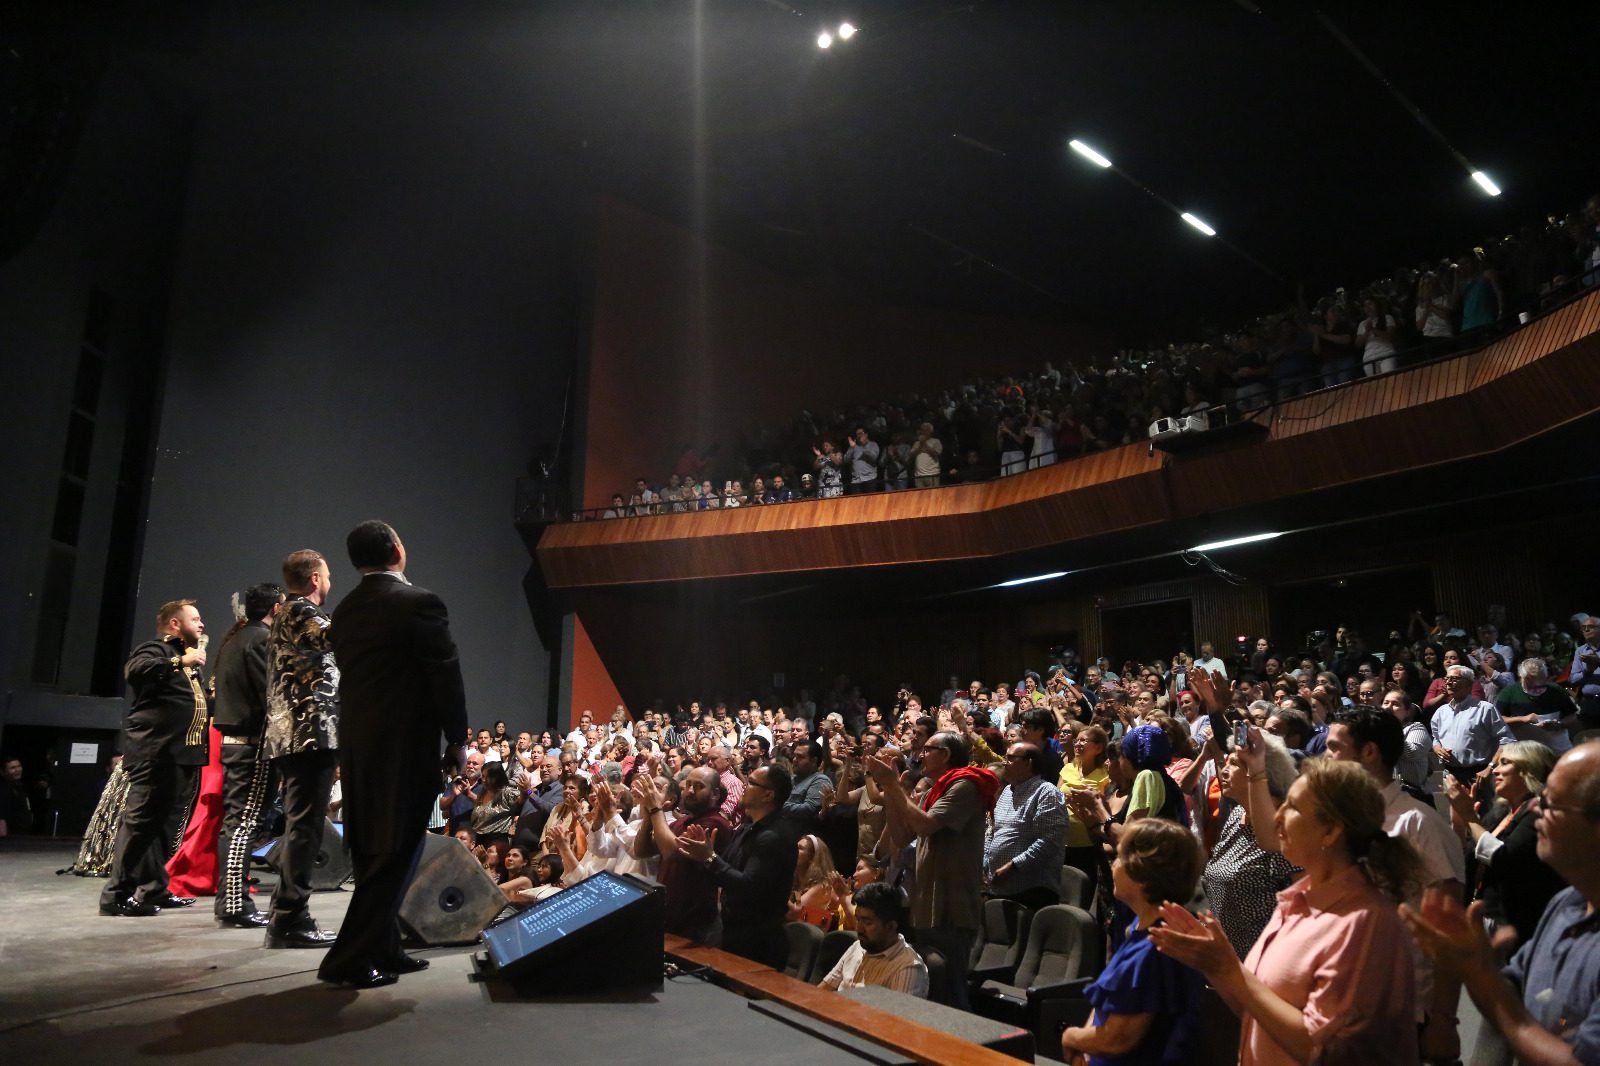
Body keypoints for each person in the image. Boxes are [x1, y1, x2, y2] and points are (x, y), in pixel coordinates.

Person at [1150, 759, 1424, 1065]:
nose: (1277, 817)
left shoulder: (1365, 921)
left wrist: (1230, 970)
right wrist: (1214, 964)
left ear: (1331, 830)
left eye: (1292, 807)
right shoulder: (1295, 902)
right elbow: (1257, 1011)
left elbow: (1321, 1051)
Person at [318, 521, 468, 989]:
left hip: (360, 743)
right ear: (398, 549)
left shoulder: (343, 610)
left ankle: (385, 947)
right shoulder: (418, 602)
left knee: (369, 846)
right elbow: (444, 673)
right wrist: (457, 738)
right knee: (397, 849)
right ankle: (348, 958)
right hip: (404, 743)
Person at [1403, 741, 1600, 1064]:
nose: (1538, 808)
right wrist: (1474, 965)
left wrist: (1480, 976)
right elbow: (1515, 983)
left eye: (1553, 803)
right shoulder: (1567, 904)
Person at [866, 731, 998, 1008]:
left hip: (953, 902)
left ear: (946, 754)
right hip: (927, 900)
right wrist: (894, 791)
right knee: (933, 987)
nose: (920, 754)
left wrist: (891, 785)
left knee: (952, 987)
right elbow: (901, 839)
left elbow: (925, 825)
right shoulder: (934, 790)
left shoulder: (965, 785)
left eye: (927, 749)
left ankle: (964, 1046)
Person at [1060, 819, 1207, 1066]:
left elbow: (1116, 1040)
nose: (1114, 864)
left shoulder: (1159, 945)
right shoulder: (1141, 930)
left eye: (1119, 857)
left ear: (1142, 873)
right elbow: (1104, 1010)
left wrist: (1071, 1036)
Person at [99, 600, 210, 917]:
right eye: (196, 619)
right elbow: (136, 670)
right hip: (156, 754)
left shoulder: (184, 661)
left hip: (181, 754)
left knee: (162, 827)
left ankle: (153, 889)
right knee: (141, 823)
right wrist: (180, 661)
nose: (202, 625)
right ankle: (115, 895)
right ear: (175, 624)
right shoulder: (156, 650)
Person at [262, 549, 341, 949]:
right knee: (306, 827)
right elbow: (333, 638)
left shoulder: (289, 614)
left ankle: (285, 911)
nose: (330, 582)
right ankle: (291, 918)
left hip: (301, 735)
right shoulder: (299, 612)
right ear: (314, 578)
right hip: (308, 735)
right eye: (326, 576)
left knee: (303, 825)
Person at [1444, 741, 1566, 952]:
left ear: (1529, 769)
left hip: (1512, 924)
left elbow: (1503, 857)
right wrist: (1460, 820)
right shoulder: (1501, 812)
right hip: (1482, 914)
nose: (1496, 770)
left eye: (1505, 763)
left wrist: (1470, 818)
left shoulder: (1537, 813)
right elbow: (1472, 856)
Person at [211, 582, 284, 929]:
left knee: (239, 822)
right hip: (251, 743)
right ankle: (234, 902)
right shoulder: (260, 640)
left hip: (235, 741)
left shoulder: (235, 640)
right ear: (275, 608)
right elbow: (270, 691)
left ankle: (231, 899)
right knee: (243, 824)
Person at [675, 763, 797, 967]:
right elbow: (724, 871)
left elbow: (748, 886)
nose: (743, 786)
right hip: (733, 932)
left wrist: (710, 858)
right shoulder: (747, 827)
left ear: (768, 795)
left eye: (750, 783)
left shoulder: (773, 837)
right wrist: (705, 857)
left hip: (758, 943)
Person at [1201, 729, 1302, 959]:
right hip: (1229, 959)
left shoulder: (1284, 826)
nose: (1224, 771)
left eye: (1234, 764)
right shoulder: (1237, 815)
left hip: (1267, 960)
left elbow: (1301, 904)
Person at [631, 766, 731, 943]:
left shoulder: (716, 823)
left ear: (715, 794)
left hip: (695, 921)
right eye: (688, 785)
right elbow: (641, 850)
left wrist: (655, 809)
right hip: (669, 913)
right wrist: (648, 818)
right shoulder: (681, 822)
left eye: (699, 786)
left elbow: (671, 852)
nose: (690, 791)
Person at [984, 742, 1068, 911]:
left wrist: (1013, 866)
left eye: (1010, 759)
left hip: (1031, 891)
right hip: (998, 886)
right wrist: (985, 862)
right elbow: (992, 831)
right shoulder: (1007, 791)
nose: (1004, 763)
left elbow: (1049, 841)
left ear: (1028, 763)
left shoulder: (1046, 792)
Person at [819, 881, 929, 997]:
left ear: (890, 926)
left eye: (867, 922)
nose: (859, 928)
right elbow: (822, 990)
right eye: (858, 920)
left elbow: (895, 1015)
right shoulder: (857, 946)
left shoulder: (907, 968)